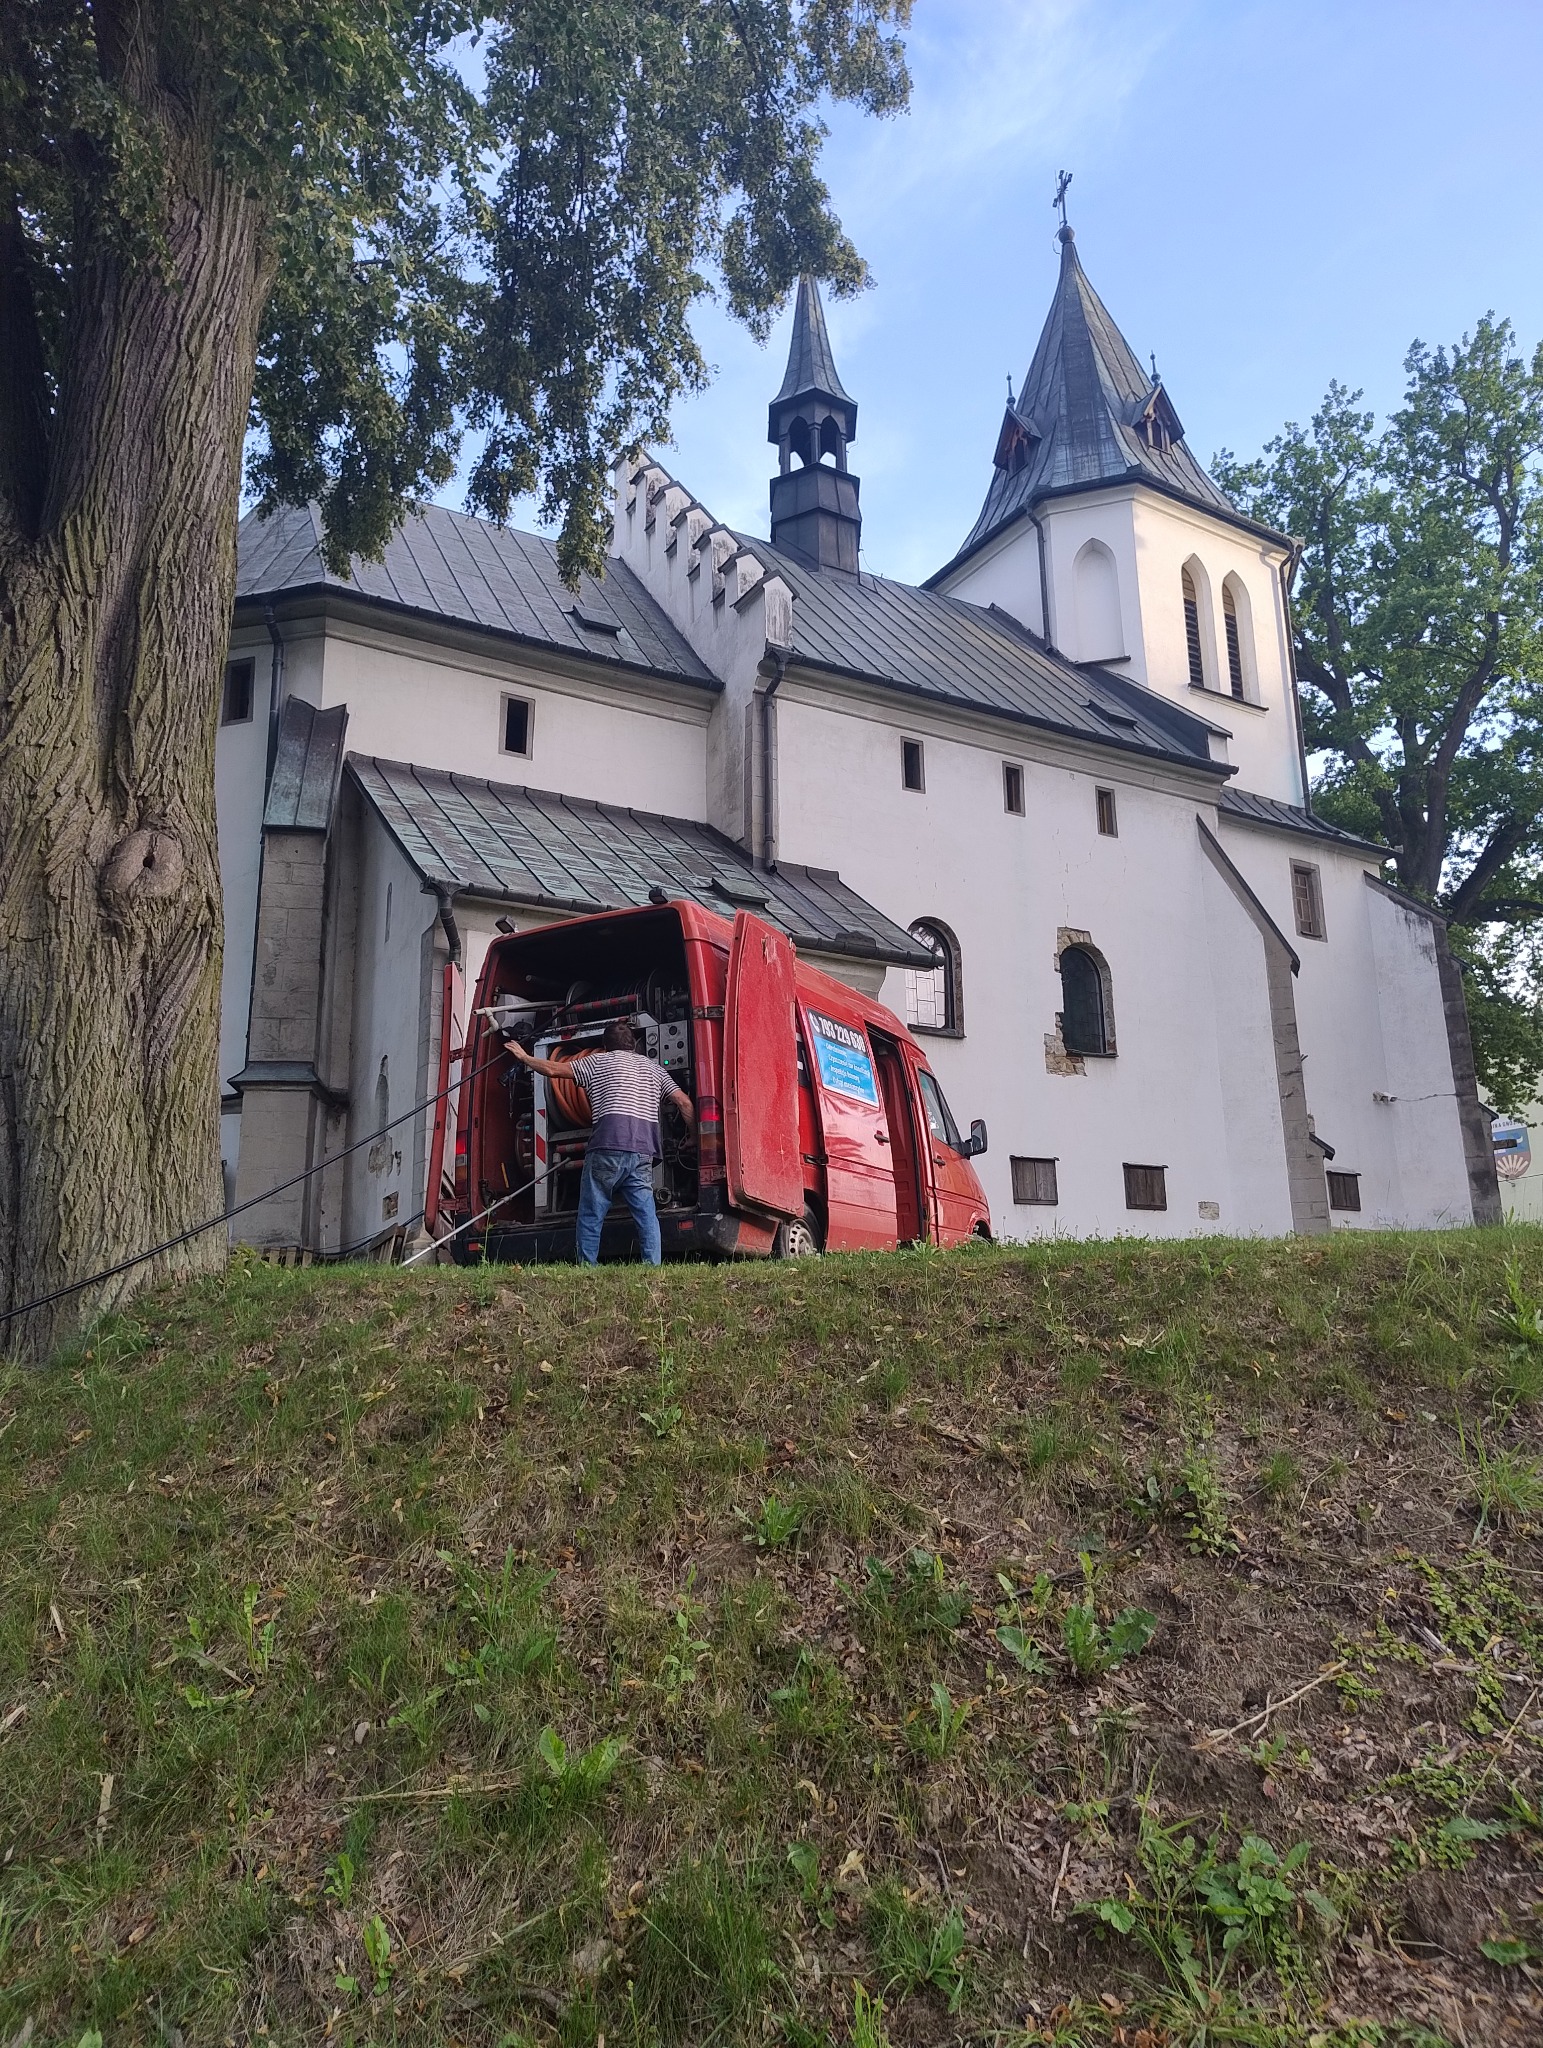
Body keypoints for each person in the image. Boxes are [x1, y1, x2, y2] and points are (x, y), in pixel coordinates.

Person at [504, 1018, 694, 1265]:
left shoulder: (597, 1061)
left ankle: (587, 1266)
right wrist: (693, 1138)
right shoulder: (654, 1068)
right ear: (633, 1045)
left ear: (605, 1046)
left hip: (607, 1144)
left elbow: (553, 1070)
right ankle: (652, 1266)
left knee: (592, 1211)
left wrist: (523, 1056)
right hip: (643, 1149)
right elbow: (685, 1103)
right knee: (646, 1213)